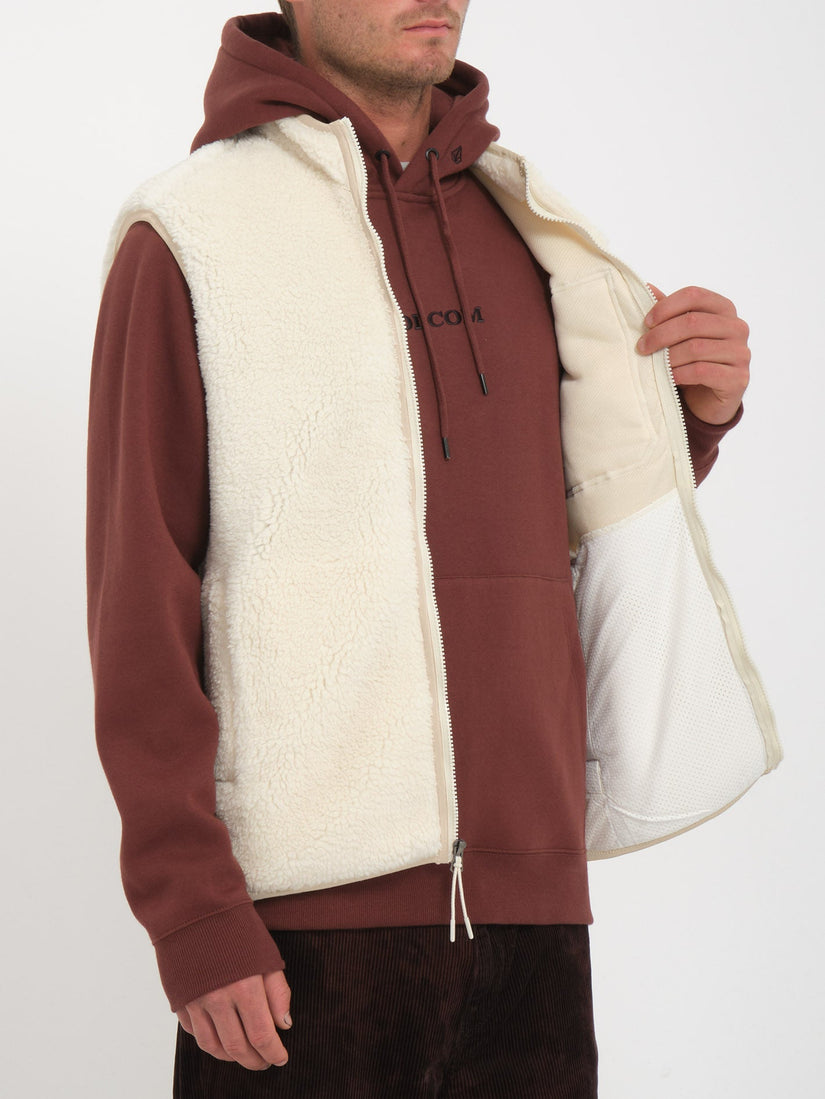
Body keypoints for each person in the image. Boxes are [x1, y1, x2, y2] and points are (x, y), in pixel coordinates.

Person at [87, 3, 780, 1095]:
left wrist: (691, 415)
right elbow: (139, 597)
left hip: (534, 913)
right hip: (302, 923)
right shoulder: (190, 233)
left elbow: (549, 519)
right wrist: (193, 913)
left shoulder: (530, 225)